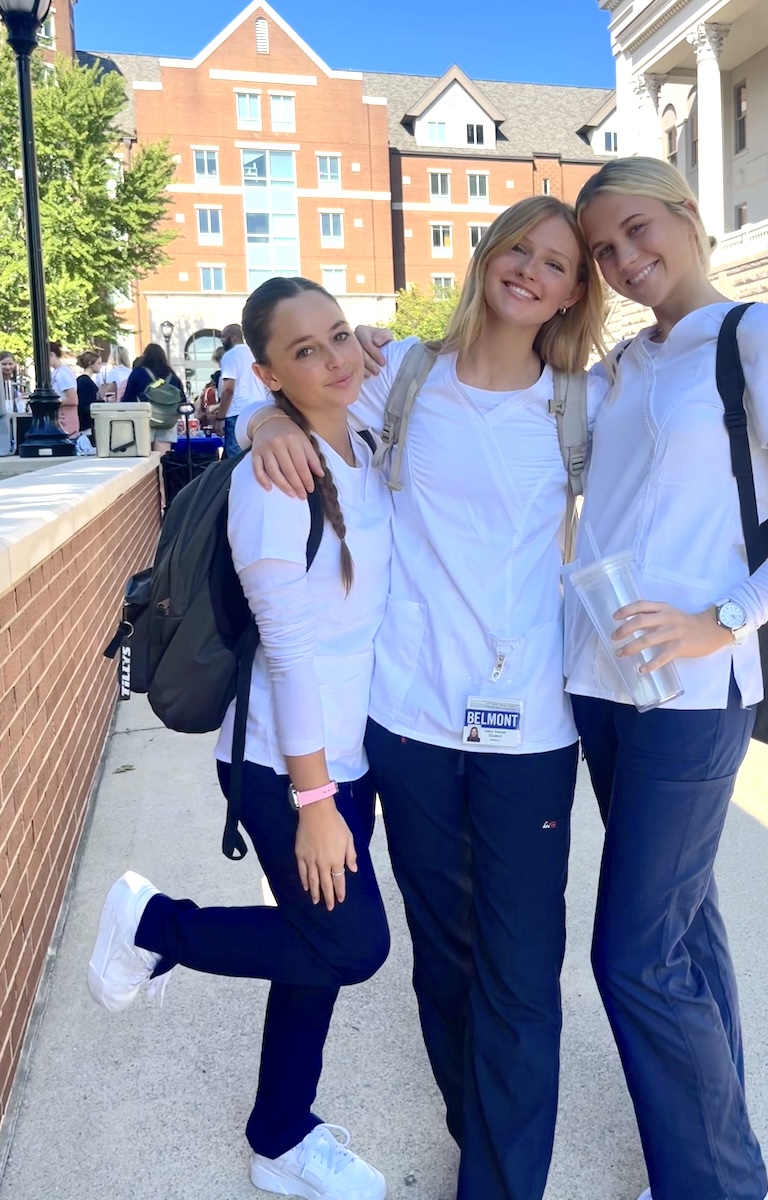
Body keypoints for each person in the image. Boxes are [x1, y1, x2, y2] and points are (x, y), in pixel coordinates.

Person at [239, 195, 608, 1200]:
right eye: (519, 249)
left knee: (523, 975)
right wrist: (267, 416)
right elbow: (265, 376)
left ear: (577, 292)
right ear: (487, 256)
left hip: (530, 727)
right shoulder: (400, 373)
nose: (532, 271)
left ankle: (499, 1183)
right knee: (443, 963)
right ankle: (477, 1128)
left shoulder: (584, 399)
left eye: (558, 263)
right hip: (407, 727)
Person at [570, 157, 768, 1200]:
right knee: (682, 923)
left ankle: (717, 1182)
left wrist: (722, 619)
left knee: (631, 957)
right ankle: (713, 1131)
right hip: (601, 684)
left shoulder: (760, 337)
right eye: (603, 250)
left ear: (689, 218)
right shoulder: (625, 362)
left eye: (639, 231)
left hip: (694, 697)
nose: (625, 260)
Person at [87, 277, 393, 1200]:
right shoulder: (275, 484)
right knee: (352, 948)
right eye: (305, 351)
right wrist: (314, 804)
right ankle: (151, 925)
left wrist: (265, 410)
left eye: (338, 335)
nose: (335, 358)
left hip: (352, 753)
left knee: (313, 949)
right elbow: (292, 655)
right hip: (285, 763)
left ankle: (281, 1134)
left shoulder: (360, 436)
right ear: (266, 371)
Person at [213, 322, 268, 458]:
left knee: (236, 460)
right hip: (261, 410)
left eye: (223, 336)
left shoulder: (230, 356)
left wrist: (220, 418)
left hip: (237, 412)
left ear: (233, 337)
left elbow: (228, 390)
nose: (221, 340)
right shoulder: (256, 353)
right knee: (259, 456)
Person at [121, 342, 187, 453]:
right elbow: (182, 400)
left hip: (144, 420)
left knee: (146, 460)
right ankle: (161, 471)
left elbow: (128, 398)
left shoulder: (138, 372)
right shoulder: (172, 376)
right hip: (167, 422)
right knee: (163, 458)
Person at [48, 341, 79, 435]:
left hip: (65, 422)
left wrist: (51, 403)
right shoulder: (57, 372)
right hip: (61, 421)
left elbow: (73, 400)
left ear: (51, 355)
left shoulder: (63, 373)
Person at [75, 350, 103, 433]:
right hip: (86, 425)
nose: (101, 366)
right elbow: (86, 405)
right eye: (98, 363)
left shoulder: (83, 380)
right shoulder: (85, 381)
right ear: (90, 364)